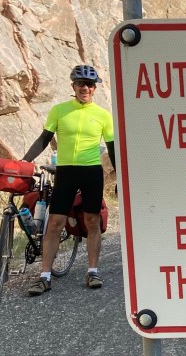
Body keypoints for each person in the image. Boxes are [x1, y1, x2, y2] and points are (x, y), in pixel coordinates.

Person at [21, 65, 115, 295]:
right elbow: (44, 139)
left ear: (94, 88)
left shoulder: (103, 115)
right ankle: (44, 276)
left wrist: (121, 177)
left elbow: (112, 148)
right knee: (55, 222)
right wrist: (24, 161)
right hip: (66, 172)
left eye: (89, 84)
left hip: (91, 172)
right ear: (73, 86)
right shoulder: (59, 110)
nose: (85, 88)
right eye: (80, 83)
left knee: (92, 221)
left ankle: (92, 271)